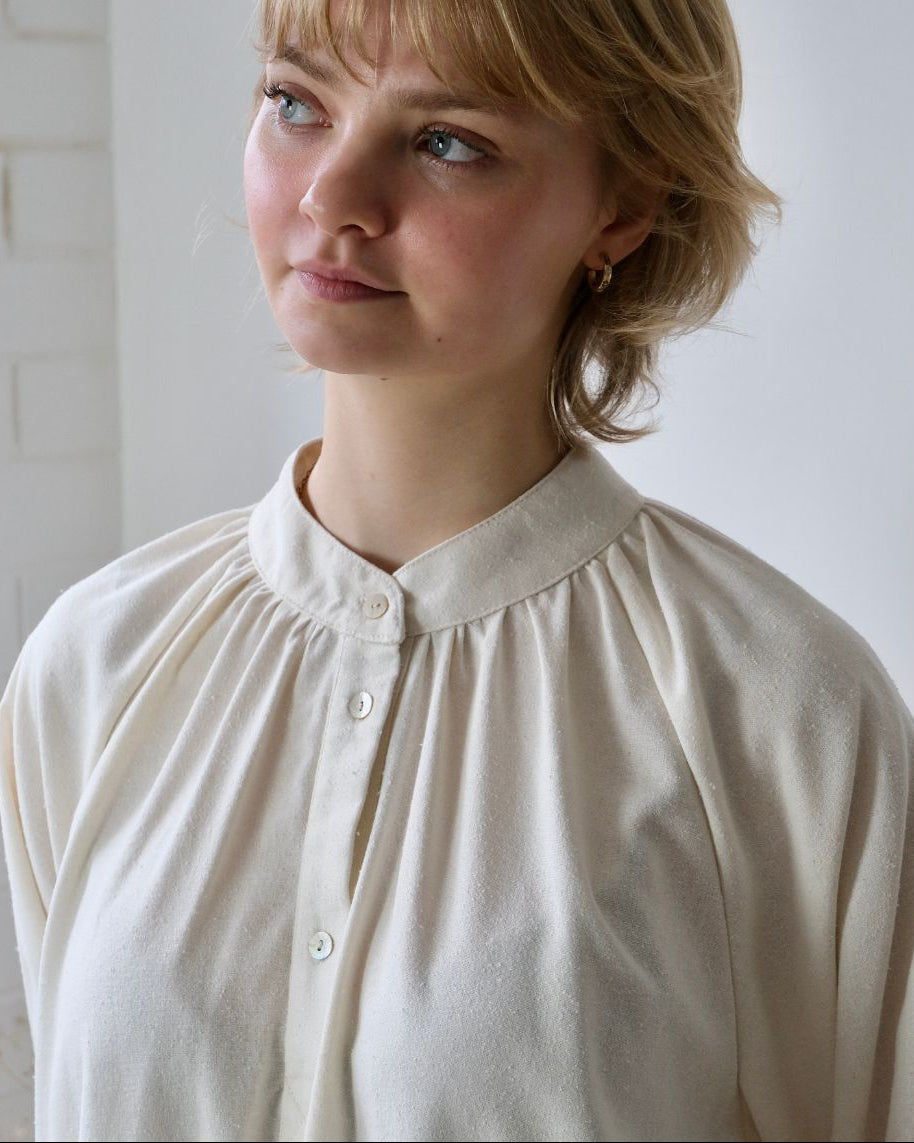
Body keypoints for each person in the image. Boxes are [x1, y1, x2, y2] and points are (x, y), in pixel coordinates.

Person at [1, 0, 911, 1139]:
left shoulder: (781, 713)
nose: (330, 198)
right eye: (295, 103)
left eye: (446, 143)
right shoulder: (95, 669)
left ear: (625, 204)